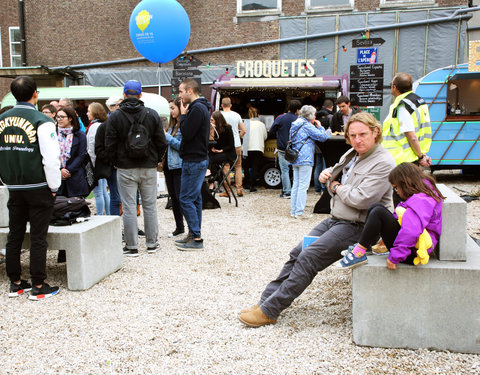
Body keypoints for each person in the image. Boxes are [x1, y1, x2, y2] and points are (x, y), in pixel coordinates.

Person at [238, 112, 396, 327]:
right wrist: (329, 176)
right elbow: (336, 179)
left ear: (375, 132)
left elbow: (361, 199)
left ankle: (270, 311)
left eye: (363, 134)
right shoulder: (353, 153)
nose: (358, 140)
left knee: (309, 257)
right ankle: (266, 301)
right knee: (297, 252)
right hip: (339, 219)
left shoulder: (383, 162)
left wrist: (335, 185)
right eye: (353, 135)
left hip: (359, 227)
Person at [0, 75, 61, 299]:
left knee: (14, 234)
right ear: (35, 93)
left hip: (14, 185)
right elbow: (51, 157)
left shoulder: (2, 119)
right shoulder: (42, 120)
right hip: (38, 185)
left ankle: (15, 281)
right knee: (37, 236)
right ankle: (38, 285)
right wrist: (54, 185)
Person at [338, 163, 443, 269]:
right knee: (376, 206)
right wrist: (386, 230)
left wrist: (395, 256)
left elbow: (411, 231)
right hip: (411, 248)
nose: (397, 192)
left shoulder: (421, 201)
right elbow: (402, 217)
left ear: (405, 184)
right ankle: (367, 246)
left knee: (378, 212)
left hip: (412, 253)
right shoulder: (423, 193)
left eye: (396, 188)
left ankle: (359, 252)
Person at [105, 80, 166, 257]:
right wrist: (156, 160)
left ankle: (131, 246)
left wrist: (115, 161)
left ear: (124, 95)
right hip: (148, 167)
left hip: (125, 167)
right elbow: (161, 142)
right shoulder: (152, 114)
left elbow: (109, 144)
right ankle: (152, 243)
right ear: (140, 95)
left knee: (129, 206)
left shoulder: (115, 116)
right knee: (150, 205)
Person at [175, 78, 211, 251]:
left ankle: (196, 237)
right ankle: (193, 233)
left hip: (194, 160)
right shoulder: (200, 107)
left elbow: (187, 133)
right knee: (194, 198)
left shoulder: (196, 108)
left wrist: (183, 116)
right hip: (196, 158)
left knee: (186, 198)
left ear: (190, 90)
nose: (179, 95)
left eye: (181, 91)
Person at [382, 72, 432, 168]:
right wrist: (421, 154)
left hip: (401, 159)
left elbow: (411, 136)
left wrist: (420, 156)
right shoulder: (418, 102)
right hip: (410, 157)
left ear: (395, 87)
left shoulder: (403, 106)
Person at [289, 105, 329, 218]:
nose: (315, 117)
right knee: (303, 186)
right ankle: (299, 212)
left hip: (295, 157)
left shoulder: (295, 123)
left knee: (296, 185)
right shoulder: (306, 125)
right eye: (314, 115)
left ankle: (293, 211)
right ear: (310, 116)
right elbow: (322, 137)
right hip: (305, 158)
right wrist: (320, 126)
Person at [268, 100, 302, 199]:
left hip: (283, 148)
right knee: (297, 169)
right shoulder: (300, 120)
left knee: (284, 170)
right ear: (297, 110)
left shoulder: (280, 118)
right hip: (296, 149)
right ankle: (297, 191)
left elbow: (271, 132)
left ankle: (287, 192)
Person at [56, 107, 90, 198]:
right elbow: (50, 154)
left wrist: (68, 171)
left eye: (62, 117)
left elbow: (81, 155)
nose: (59, 119)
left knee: (75, 207)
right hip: (57, 176)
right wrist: (60, 169)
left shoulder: (80, 135)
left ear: (70, 118)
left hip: (75, 175)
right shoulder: (54, 134)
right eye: (57, 117)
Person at [164, 97, 185, 238]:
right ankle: (179, 227)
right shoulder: (171, 126)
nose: (171, 111)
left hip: (178, 166)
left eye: (173, 108)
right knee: (173, 198)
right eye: (170, 108)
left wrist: (167, 137)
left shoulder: (183, 126)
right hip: (168, 165)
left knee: (179, 198)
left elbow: (181, 147)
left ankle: (189, 227)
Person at [86, 102, 110, 215]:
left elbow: (91, 146)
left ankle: (100, 215)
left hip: (95, 163)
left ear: (94, 113)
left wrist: (92, 165)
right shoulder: (103, 124)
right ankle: (109, 214)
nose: (87, 113)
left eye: (89, 111)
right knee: (104, 191)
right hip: (102, 162)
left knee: (98, 192)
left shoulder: (94, 126)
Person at [220, 97, 246, 196]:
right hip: (237, 144)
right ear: (231, 105)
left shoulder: (219, 115)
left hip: (225, 145)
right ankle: (239, 189)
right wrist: (238, 137)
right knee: (238, 166)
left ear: (222, 105)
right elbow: (244, 130)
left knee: (226, 166)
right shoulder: (237, 115)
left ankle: (228, 191)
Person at [209, 111, 236, 198]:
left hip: (228, 153)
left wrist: (221, 150)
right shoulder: (214, 129)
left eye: (212, 120)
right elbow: (213, 142)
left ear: (217, 120)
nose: (211, 122)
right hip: (219, 152)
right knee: (209, 157)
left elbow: (231, 145)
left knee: (212, 159)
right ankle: (212, 179)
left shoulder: (227, 128)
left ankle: (212, 180)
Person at [242, 107, 267, 192]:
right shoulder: (262, 124)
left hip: (246, 148)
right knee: (255, 167)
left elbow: (241, 135)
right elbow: (265, 137)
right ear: (258, 115)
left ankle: (246, 183)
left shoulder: (245, 123)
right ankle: (252, 185)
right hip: (257, 148)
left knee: (246, 167)